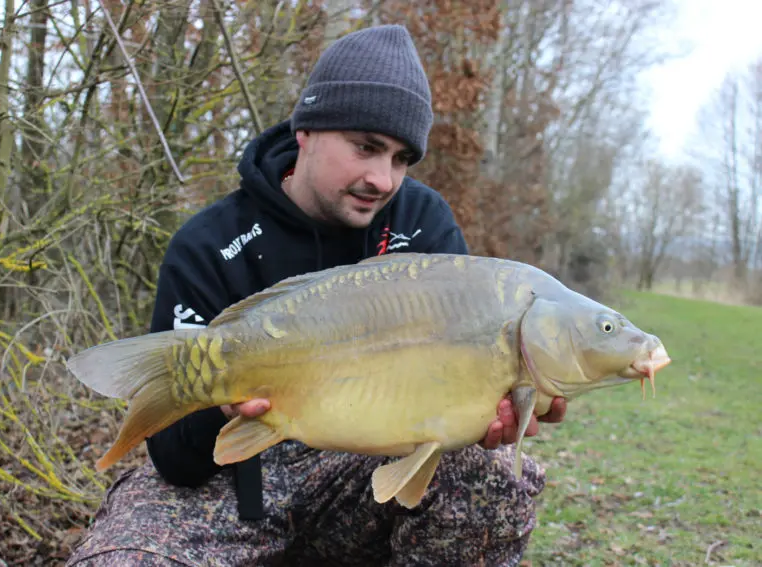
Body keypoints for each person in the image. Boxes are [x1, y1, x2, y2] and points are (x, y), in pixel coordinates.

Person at [67, 24, 566, 567]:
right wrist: (226, 402)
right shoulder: (209, 244)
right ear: (305, 130)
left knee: (489, 474)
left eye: (401, 159)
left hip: (360, 473)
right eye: (366, 147)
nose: (382, 178)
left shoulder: (423, 223)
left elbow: (455, 407)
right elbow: (178, 463)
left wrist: (499, 406)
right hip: (228, 485)